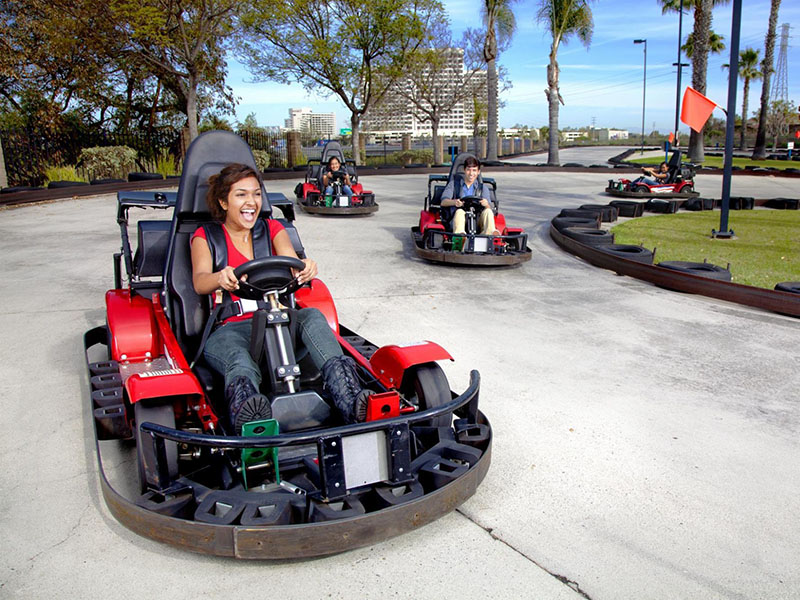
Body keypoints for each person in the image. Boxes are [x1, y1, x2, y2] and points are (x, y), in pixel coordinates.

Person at [191, 163, 369, 433]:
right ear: (223, 201)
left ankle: (348, 396)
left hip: (278, 321)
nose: (251, 202)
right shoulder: (206, 237)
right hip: (231, 329)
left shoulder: (272, 228)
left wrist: (305, 267)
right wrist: (219, 278)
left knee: (312, 316)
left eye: (256, 194)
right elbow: (199, 280)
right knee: (239, 361)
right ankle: (249, 416)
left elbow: (290, 262)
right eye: (241, 195)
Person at [440, 156, 499, 236]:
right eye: (468, 170)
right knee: (460, 212)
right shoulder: (454, 185)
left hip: (477, 220)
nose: (471, 173)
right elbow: (443, 202)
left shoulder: (482, 188)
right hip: (459, 219)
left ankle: (489, 235)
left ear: (478, 172)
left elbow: (489, 208)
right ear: (464, 170)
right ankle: (460, 237)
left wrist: (486, 204)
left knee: (488, 211)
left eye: (474, 170)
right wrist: (454, 202)